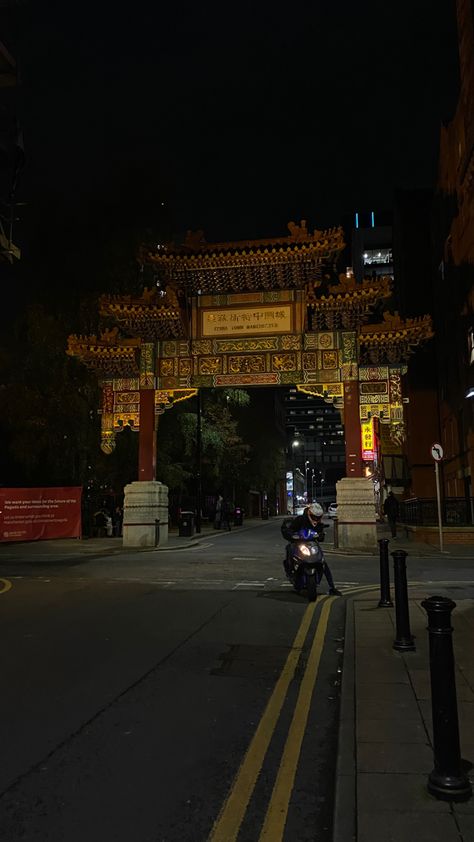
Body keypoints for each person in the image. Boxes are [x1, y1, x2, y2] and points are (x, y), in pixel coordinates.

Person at [281, 503, 342, 596]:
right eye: (314, 517)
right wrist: (291, 534)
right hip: (299, 543)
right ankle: (290, 570)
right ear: (309, 513)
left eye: (318, 517)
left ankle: (332, 587)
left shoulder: (318, 524)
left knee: (323, 562)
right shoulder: (300, 520)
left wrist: (321, 535)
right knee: (289, 548)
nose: (316, 519)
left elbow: (321, 536)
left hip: (312, 545)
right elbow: (290, 529)